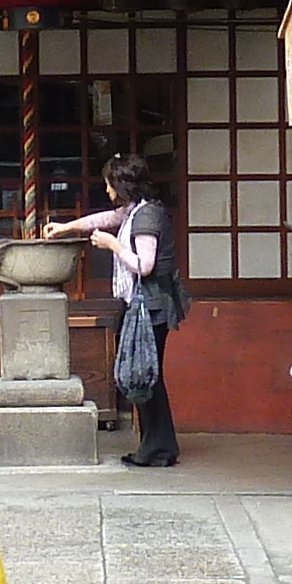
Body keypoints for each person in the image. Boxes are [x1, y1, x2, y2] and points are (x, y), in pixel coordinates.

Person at [45, 153, 187, 467]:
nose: (108, 191)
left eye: (110, 184)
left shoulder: (147, 218)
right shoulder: (137, 210)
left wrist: (113, 245)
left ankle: (158, 448)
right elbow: (104, 219)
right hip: (140, 306)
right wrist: (66, 228)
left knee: (146, 375)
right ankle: (155, 445)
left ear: (121, 185)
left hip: (149, 308)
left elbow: (144, 265)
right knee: (146, 376)